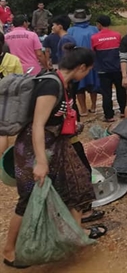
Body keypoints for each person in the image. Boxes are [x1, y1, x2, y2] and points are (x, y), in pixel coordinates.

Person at [3, 45, 107, 268]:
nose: (87, 75)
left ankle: (75, 234)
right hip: (35, 148)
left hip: (58, 144)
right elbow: (38, 125)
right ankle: (9, 250)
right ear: (81, 67)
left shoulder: (64, 83)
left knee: (78, 186)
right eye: (88, 70)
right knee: (30, 196)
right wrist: (40, 162)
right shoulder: (51, 85)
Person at [91, 15, 126, 122]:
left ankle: (109, 116)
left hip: (103, 70)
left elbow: (93, 53)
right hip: (117, 68)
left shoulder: (94, 38)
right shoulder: (117, 35)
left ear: (99, 25)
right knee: (121, 91)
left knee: (106, 93)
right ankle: (123, 112)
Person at [67, 9, 100, 116]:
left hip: (77, 62)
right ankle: (94, 106)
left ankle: (83, 109)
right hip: (92, 60)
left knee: (79, 86)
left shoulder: (71, 31)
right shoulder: (94, 29)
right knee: (93, 84)